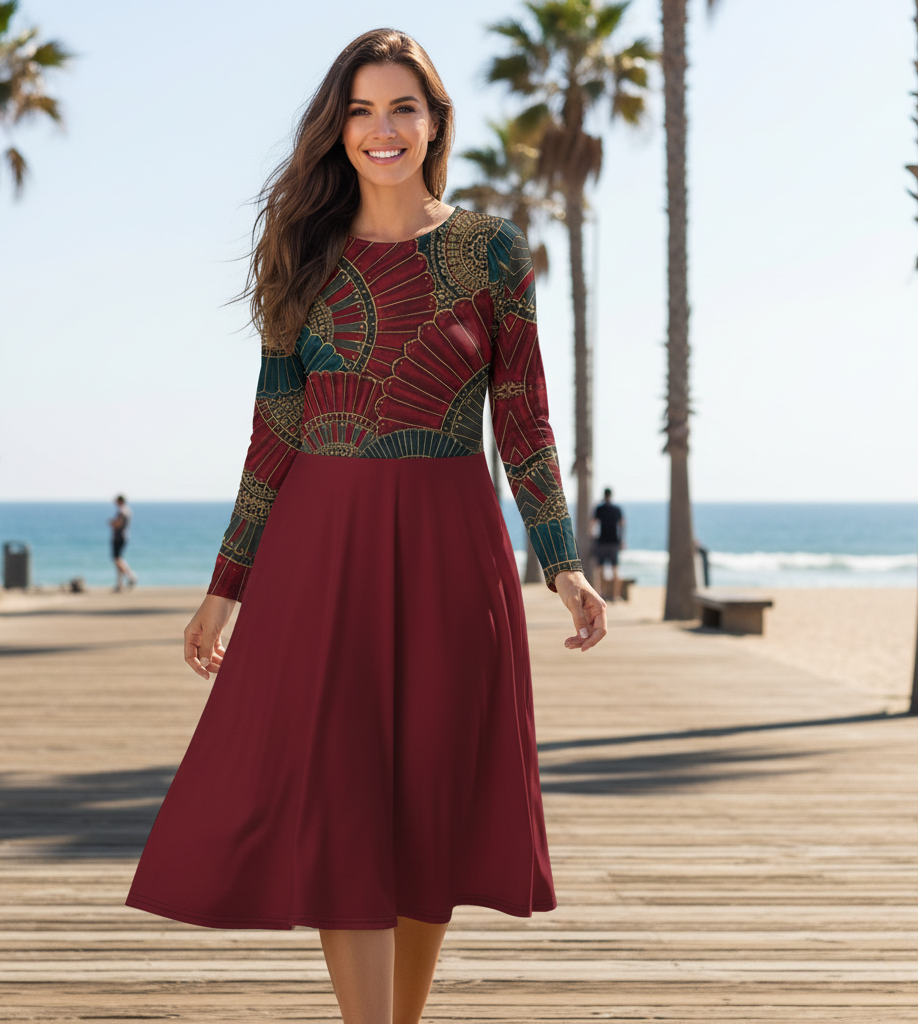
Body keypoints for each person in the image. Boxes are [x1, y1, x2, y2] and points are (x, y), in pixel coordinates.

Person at [125, 29, 607, 1024]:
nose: (380, 129)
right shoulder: (304, 255)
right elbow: (273, 436)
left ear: (434, 124)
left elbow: (523, 420)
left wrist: (563, 564)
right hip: (320, 545)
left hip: (449, 546)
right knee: (344, 801)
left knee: (426, 800)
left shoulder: (491, 252)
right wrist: (226, 584)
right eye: (359, 110)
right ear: (336, 129)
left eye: (401, 108)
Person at [590, 488, 625, 600]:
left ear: (604, 495)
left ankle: (600, 593)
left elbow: (592, 525)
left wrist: (592, 537)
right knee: (615, 569)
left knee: (599, 569)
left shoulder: (600, 509)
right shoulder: (617, 509)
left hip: (602, 541)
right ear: (611, 495)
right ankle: (615, 595)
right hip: (614, 542)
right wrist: (622, 540)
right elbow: (622, 525)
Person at [108, 495, 137, 592]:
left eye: (116, 501)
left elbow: (118, 524)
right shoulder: (127, 510)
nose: (115, 503)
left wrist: (112, 523)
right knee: (119, 560)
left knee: (118, 560)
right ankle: (120, 584)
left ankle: (130, 577)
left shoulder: (122, 511)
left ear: (120, 501)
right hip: (123, 537)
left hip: (119, 537)